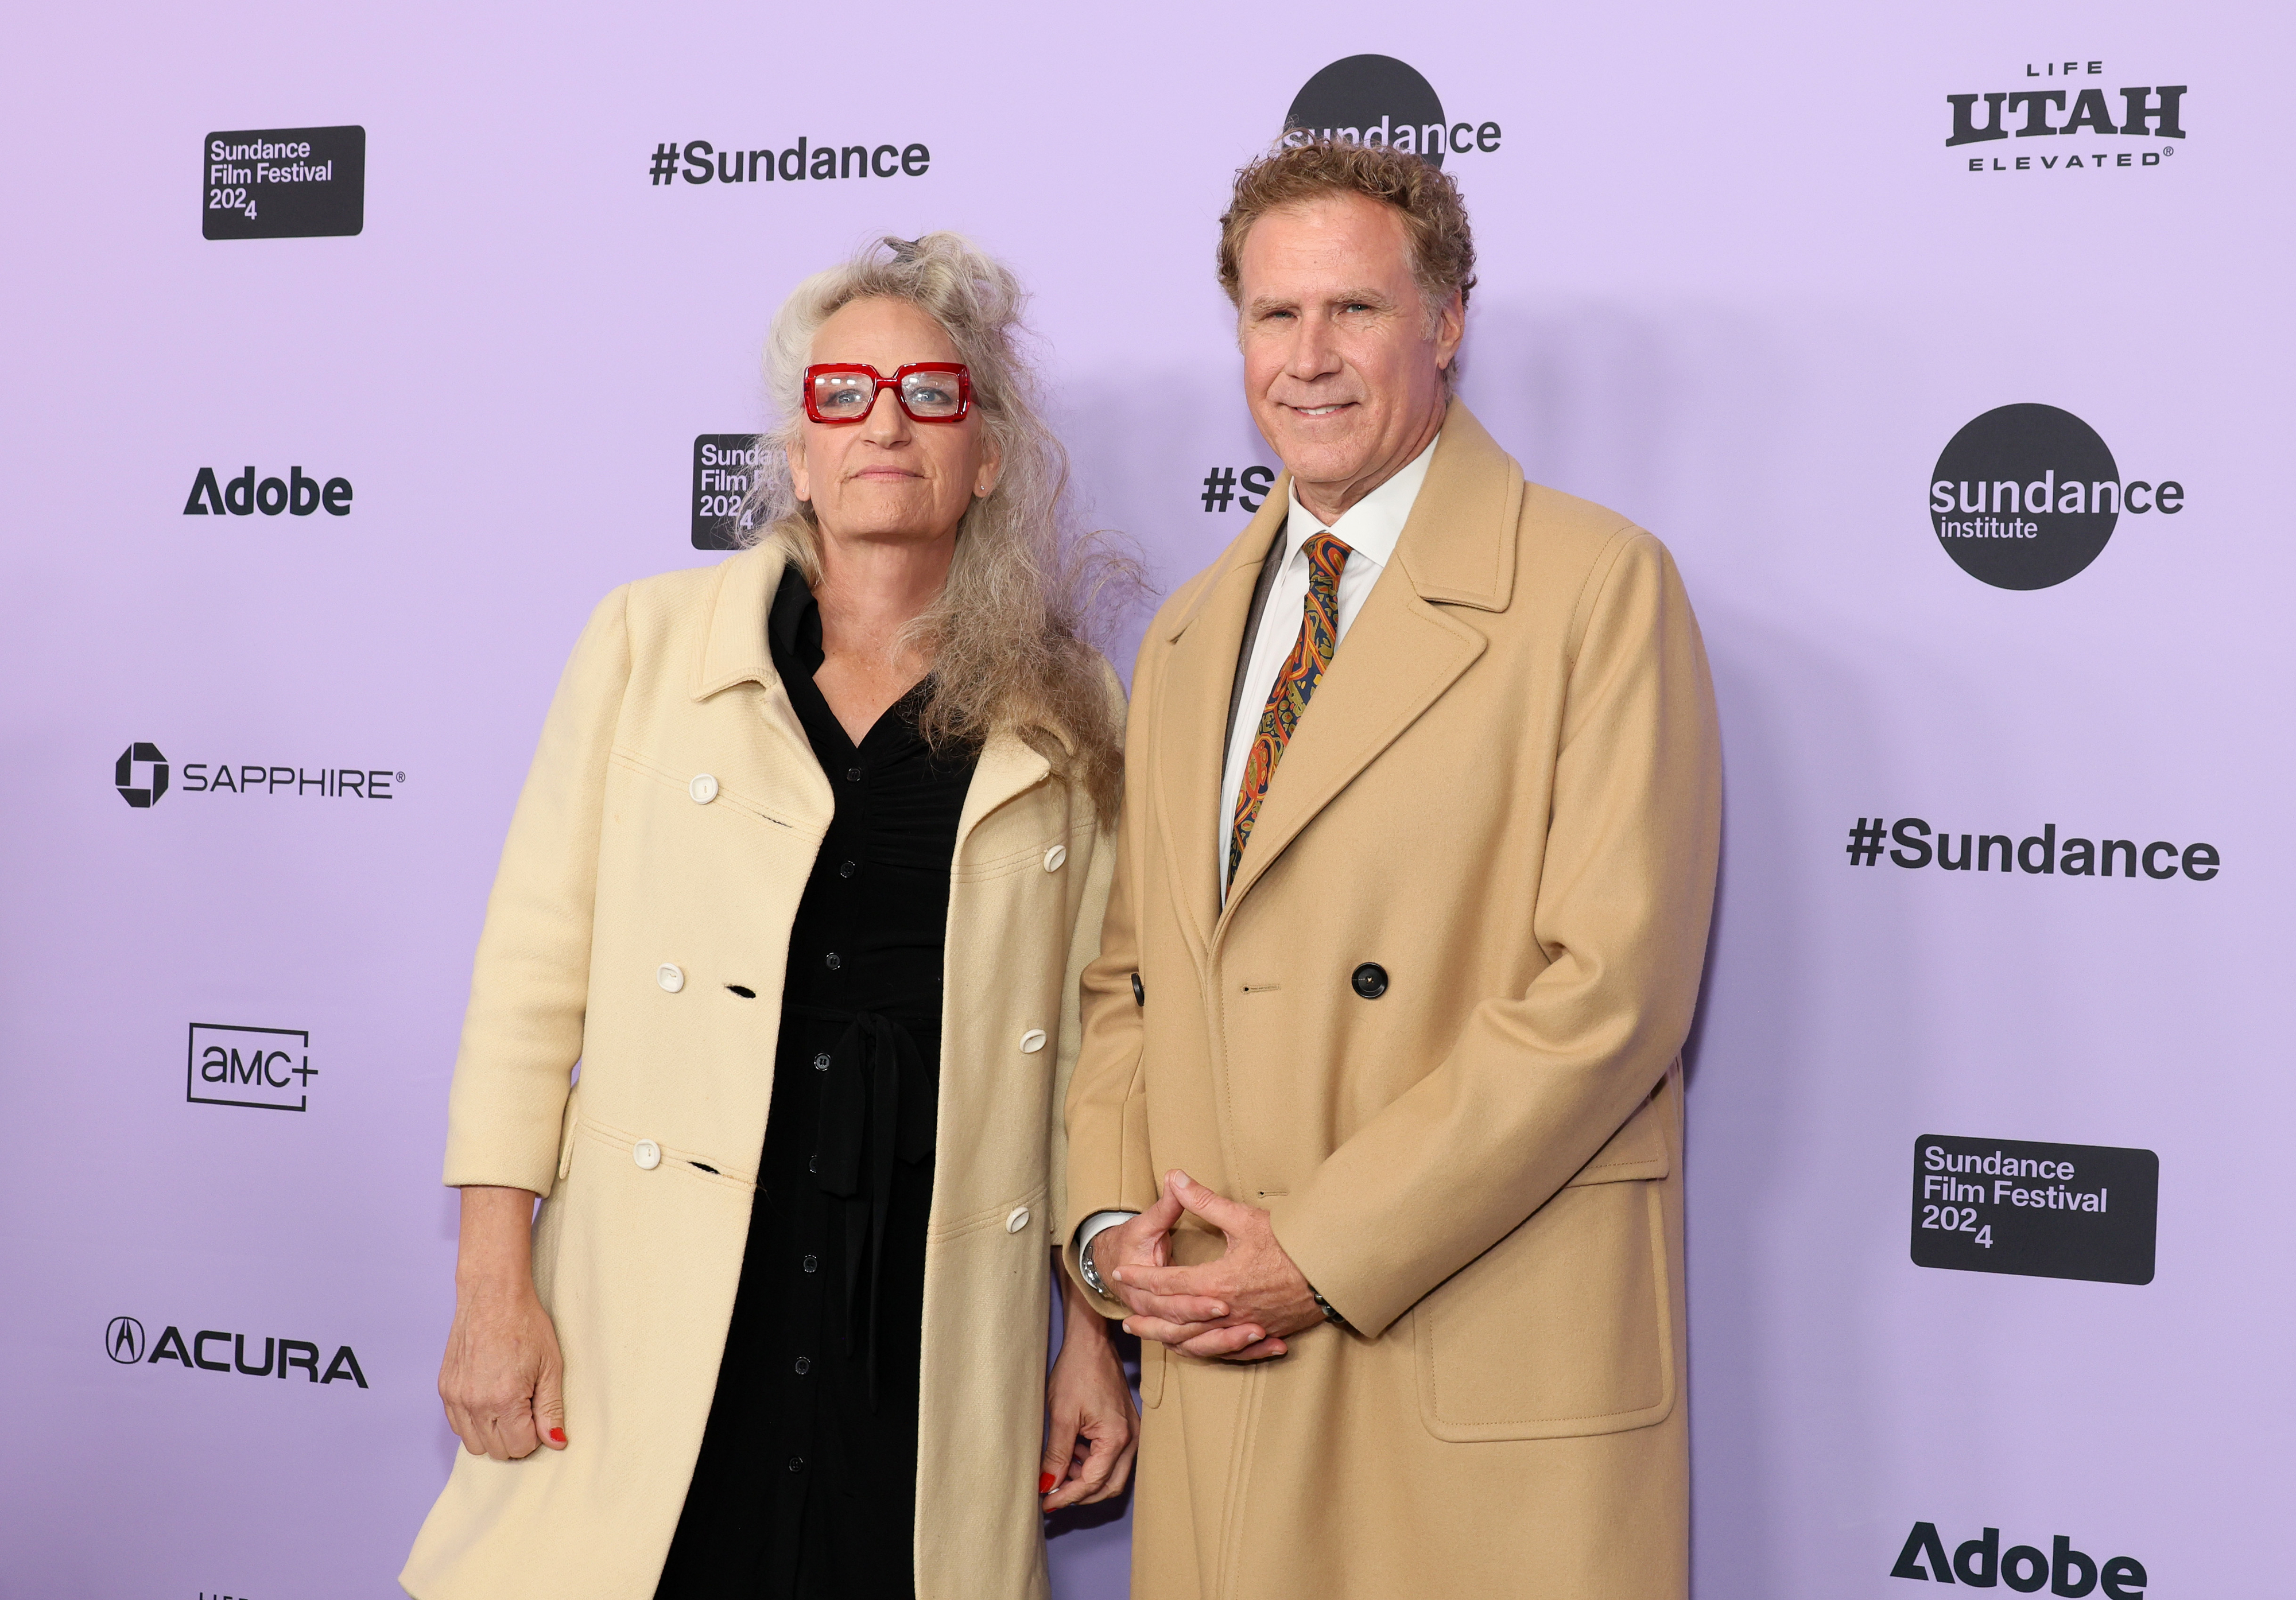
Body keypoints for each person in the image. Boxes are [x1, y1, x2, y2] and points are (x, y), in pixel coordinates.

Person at [401, 234, 1139, 1600]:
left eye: (929, 393)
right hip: (661, 1294)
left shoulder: (1069, 703)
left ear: (986, 456)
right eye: (842, 392)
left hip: (924, 1312)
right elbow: (526, 987)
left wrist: (1088, 1331)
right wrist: (491, 1288)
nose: (883, 424)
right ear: (796, 452)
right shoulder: (642, 645)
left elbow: (1096, 1054)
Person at [1060, 141, 1722, 1598]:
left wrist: (1324, 1244)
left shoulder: (1595, 587)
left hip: (1470, 1346)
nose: (1308, 358)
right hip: (1228, 1363)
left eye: (1353, 310)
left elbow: (1609, 993)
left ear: (1445, 322)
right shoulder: (1178, 638)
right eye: (1272, 314)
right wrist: (1115, 1240)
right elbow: (1125, 983)